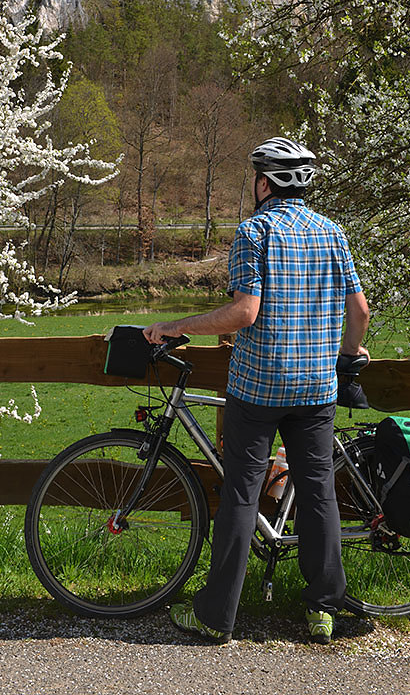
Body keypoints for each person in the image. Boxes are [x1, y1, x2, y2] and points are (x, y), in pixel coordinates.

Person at [143, 137, 369, 645]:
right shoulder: (333, 233)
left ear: (263, 182)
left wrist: (178, 326)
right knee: (318, 495)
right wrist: (349, 355)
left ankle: (216, 616)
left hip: (259, 388)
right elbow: (360, 312)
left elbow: (245, 311)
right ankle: (322, 611)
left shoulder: (254, 231)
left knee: (241, 498)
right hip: (316, 389)